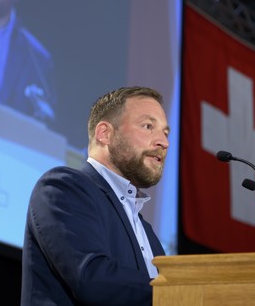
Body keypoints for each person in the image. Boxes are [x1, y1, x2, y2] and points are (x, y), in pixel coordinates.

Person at [21, 86, 170, 305]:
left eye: (166, 133)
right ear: (104, 134)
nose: (163, 143)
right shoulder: (63, 188)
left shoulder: (146, 230)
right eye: (148, 126)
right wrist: (179, 291)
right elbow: (92, 278)